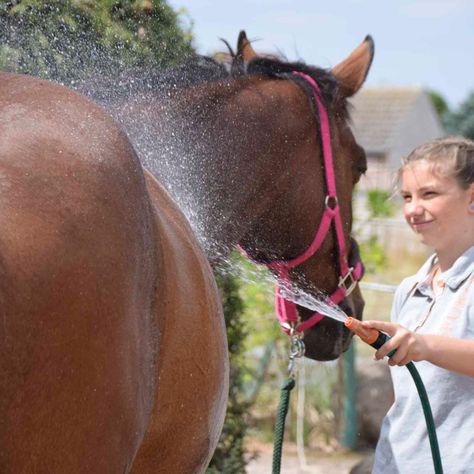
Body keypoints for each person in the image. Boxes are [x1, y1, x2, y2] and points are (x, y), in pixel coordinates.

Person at [362, 136, 474, 473]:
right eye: (408, 197)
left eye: (429, 194)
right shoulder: (409, 289)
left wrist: (425, 345)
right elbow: (405, 398)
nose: (413, 209)